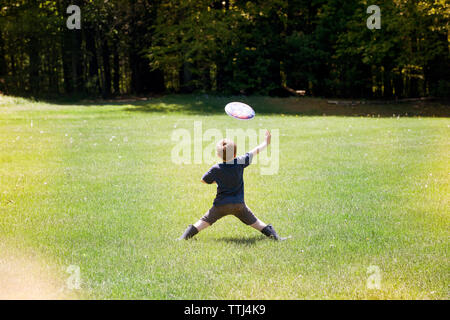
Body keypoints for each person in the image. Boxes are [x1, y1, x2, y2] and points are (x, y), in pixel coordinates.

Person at [178, 130, 287, 241]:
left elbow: (203, 180)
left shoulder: (216, 168)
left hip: (221, 205)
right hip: (238, 205)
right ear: (235, 154)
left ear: (218, 155)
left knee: (203, 222)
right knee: (257, 223)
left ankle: (183, 238)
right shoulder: (240, 161)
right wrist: (266, 143)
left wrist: (217, 181)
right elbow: (255, 151)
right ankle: (277, 238)